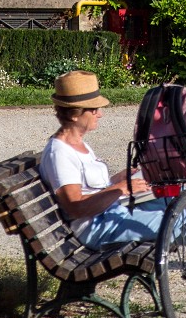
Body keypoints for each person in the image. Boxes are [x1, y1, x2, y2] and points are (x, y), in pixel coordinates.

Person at [39, 70, 169, 249]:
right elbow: (76, 207)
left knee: (175, 195)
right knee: (178, 220)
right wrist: (120, 189)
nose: (99, 114)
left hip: (111, 213)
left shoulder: (77, 144)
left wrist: (118, 179)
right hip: (98, 226)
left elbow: (90, 188)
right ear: (73, 114)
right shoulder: (60, 153)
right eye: (93, 109)